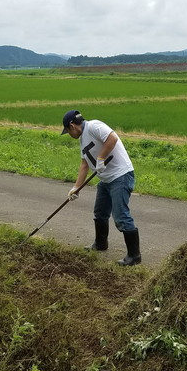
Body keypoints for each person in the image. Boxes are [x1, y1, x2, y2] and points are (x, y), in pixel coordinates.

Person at [61, 110, 141, 266]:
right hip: (106, 180)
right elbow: (84, 164)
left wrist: (101, 158)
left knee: (121, 216)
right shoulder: (82, 139)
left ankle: (134, 256)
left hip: (121, 176)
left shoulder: (94, 126)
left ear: (72, 126)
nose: (69, 135)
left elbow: (112, 138)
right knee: (100, 213)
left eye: (68, 131)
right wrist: (76, 188)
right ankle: (100, 244)